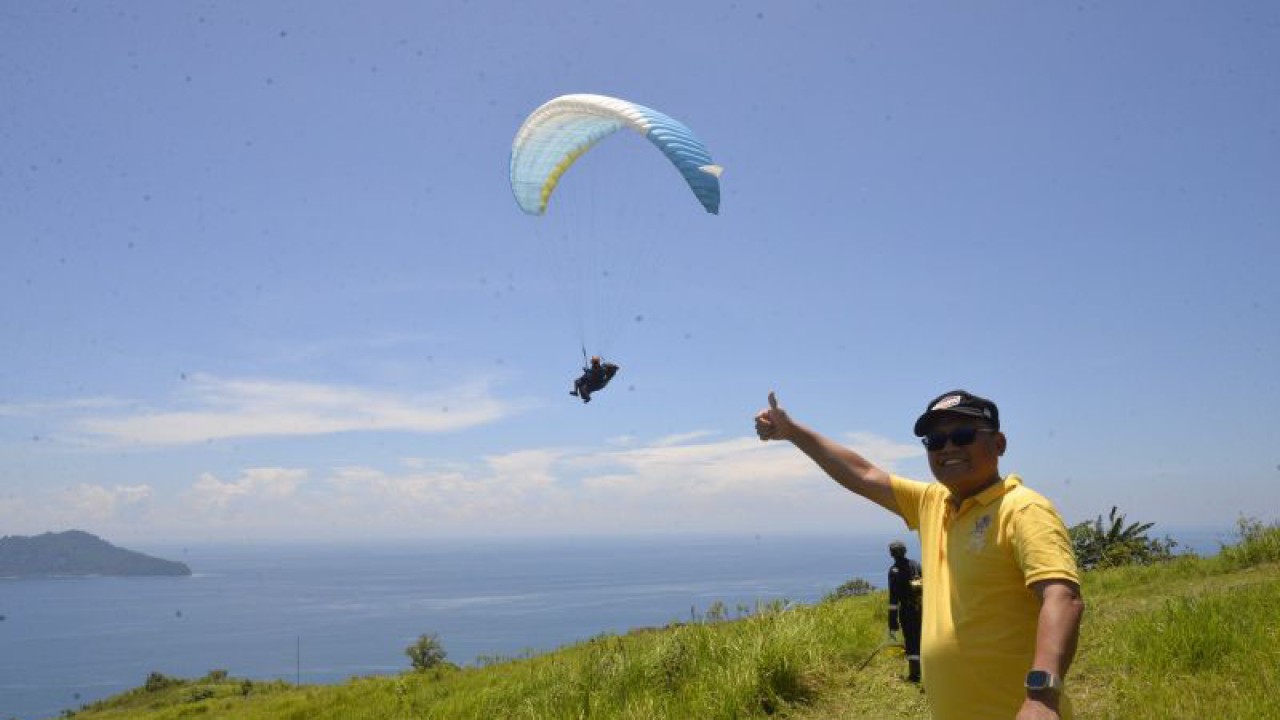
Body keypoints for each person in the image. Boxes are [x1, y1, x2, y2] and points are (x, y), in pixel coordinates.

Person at [755, 389, 1083, 720]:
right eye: (935, 440)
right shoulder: (933, 503)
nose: (948, 447)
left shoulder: (1023, 509)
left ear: (998, 444)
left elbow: (1062, 598)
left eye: (963, 435)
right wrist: (793, 433)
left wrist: (1042, 697)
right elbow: (863, 475)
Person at [887, 540, 923, 683]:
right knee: (921, 638)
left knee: (911, 640)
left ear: (891, 554)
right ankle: (928, 672)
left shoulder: (894, 570)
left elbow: (893, 599)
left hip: (907, 611)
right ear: (905, 551)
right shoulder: (916, 565)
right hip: (921, 609)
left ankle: (915, 676)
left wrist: (892, 620)